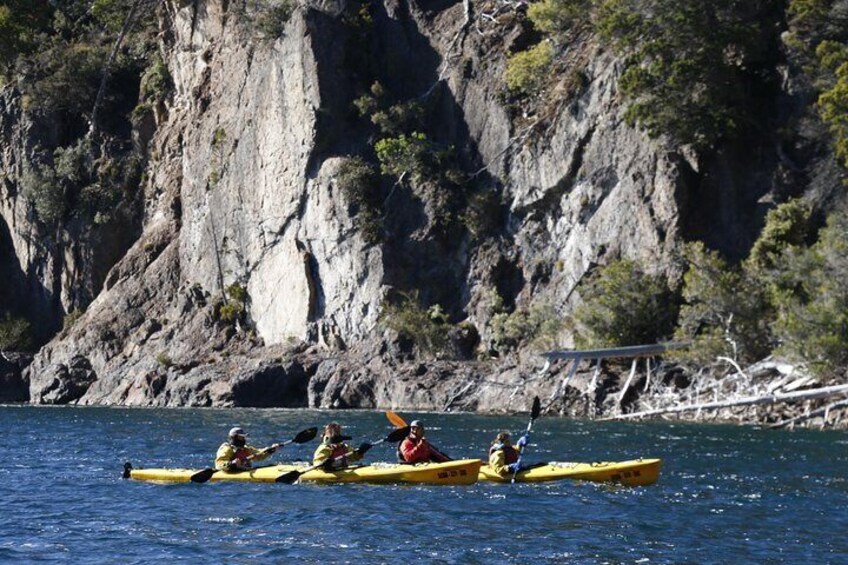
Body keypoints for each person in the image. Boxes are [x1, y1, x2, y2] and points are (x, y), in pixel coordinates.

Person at [215, 427, 280, 471]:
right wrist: (231, 463)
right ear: (234, 437)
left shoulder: (246, 449)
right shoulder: (227, 448)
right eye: (242, 437)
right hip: (232, 472)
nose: (244, 439)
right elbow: (219, 464)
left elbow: (259, 455)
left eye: (244, 437)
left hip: (245, 470)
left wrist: (271, 449)